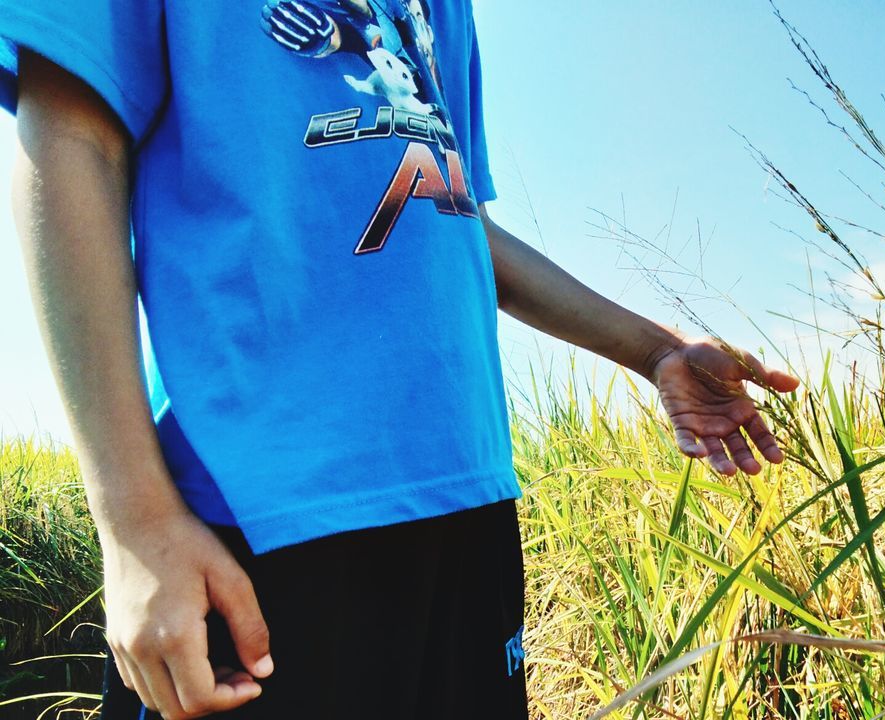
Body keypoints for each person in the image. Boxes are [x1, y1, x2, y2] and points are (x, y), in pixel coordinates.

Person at [0, 0, 800, 717]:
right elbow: (70, 134)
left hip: (466, 498)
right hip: (258, 516)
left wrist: (655, 349)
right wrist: (136, 522)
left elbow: (450, 211)